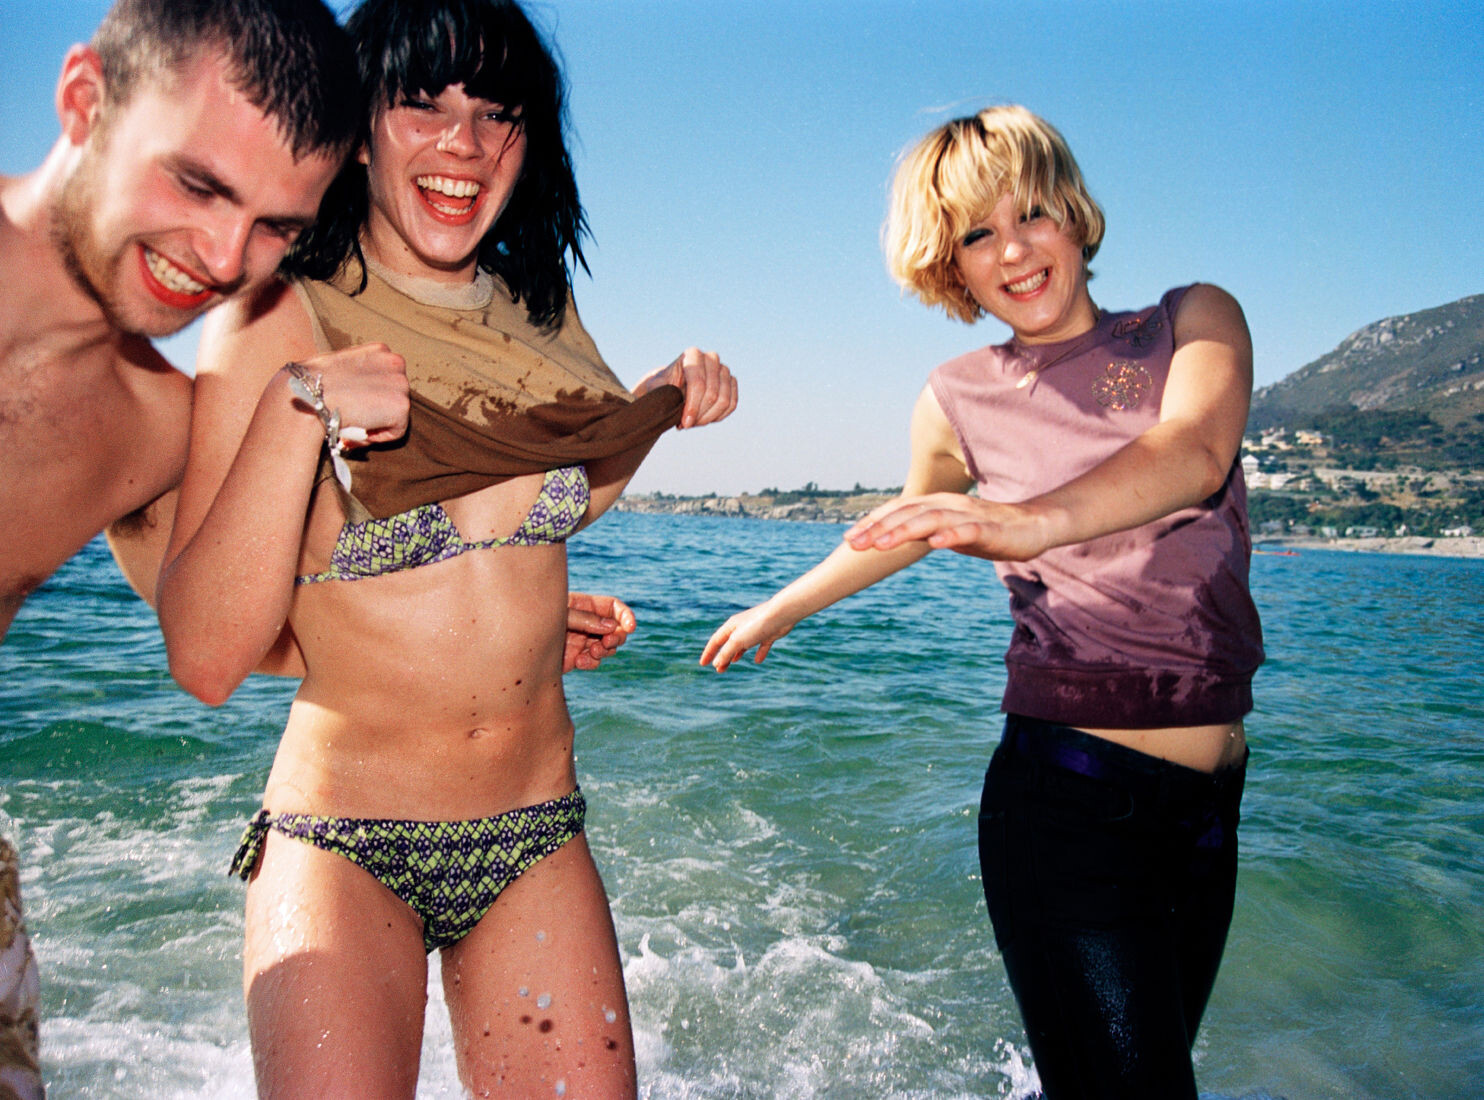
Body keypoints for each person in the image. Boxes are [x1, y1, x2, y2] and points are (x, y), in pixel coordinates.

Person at [155, 0, 737, 1094]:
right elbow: (205, 654)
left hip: (536, 828)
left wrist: (655, 405)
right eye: (422, 104)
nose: (463, 144)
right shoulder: (278, 315)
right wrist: (299, 405)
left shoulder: (540, 310)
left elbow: (551, 497)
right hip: (345, 839)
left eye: (496, 113)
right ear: (357, 131)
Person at [702, 105, 1262, 1099]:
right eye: (974, 234)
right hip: (1067, 800)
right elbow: (912, 522)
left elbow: (1192, 453)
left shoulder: (1192, 322)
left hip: (1208, 810)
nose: (1012, 250)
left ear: (1075, 213)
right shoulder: (955, 395)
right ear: (949, 265)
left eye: (1031, 213)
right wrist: (781, 607)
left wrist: (1028, 521)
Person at [0, 3, 361, 1094]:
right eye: (198, 185)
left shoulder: (156, 426)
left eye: (275, 227)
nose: (222, 258)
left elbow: (241, 636)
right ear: (84, 100)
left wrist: (487, 631)